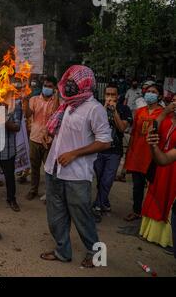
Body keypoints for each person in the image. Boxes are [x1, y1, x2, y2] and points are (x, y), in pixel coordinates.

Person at [40, 65, 112, 268]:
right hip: (53, 169)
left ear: (85, 83)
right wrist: (50, 135)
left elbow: (105, 142)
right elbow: (63, 132)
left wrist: (74, 154)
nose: (69, 83)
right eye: (68, 78)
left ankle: (97, 255)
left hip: (77, 174)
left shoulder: (94, 109)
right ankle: (62, 251)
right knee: (56, 215)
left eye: (74, 80)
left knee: (83, 217)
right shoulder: (67, 105)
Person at [139, 96, 176, 252]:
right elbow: (151, 130)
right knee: (156, 194)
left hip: (173, 168)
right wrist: (164, 113)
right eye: (173, 101)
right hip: (161, 161)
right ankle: (152, 234)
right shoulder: (165, 117)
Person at [92, 84, 132, 223]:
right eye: (107, 94)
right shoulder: (97, 107)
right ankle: (105, 202)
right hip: (99, 149)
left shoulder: (124, 109)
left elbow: (121, 128)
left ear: (118, 96)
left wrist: (114, 112)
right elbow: (95, 126)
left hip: (114, 151)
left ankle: (97, 207)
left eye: (113, 95)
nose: (110, 97)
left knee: (107, 180)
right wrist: (103, 109)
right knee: (100, 179)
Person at [123, 84, 164, 222]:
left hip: (154, 155)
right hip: (138, 154)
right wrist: (130, 151)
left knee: (154, 186)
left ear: (160, 96)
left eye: (154, 92)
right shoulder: (140, 111)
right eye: (148, 91)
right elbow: (134, 133)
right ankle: (136, 211)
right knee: (137, 186)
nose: (150, 94)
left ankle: (151, 214)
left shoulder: (164, 113)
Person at [24, 75, 60, 200]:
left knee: (49, 169)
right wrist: (25, 100)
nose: (47, 88)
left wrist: (56, 97)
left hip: (49, 141)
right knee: (34, 168)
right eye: (45, 86)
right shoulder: (34, 99)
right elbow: (28, 114)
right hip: (34, 138)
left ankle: (49, 193)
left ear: (55, 88)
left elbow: (56, 114)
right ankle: (33, 190)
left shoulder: (57, 102)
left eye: (50, 86)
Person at [0, 100, 23, 212]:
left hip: (8, 151)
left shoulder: (15, 107)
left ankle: (11, 199)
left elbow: (17, 127)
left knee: (9, 178)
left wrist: (2, 118)